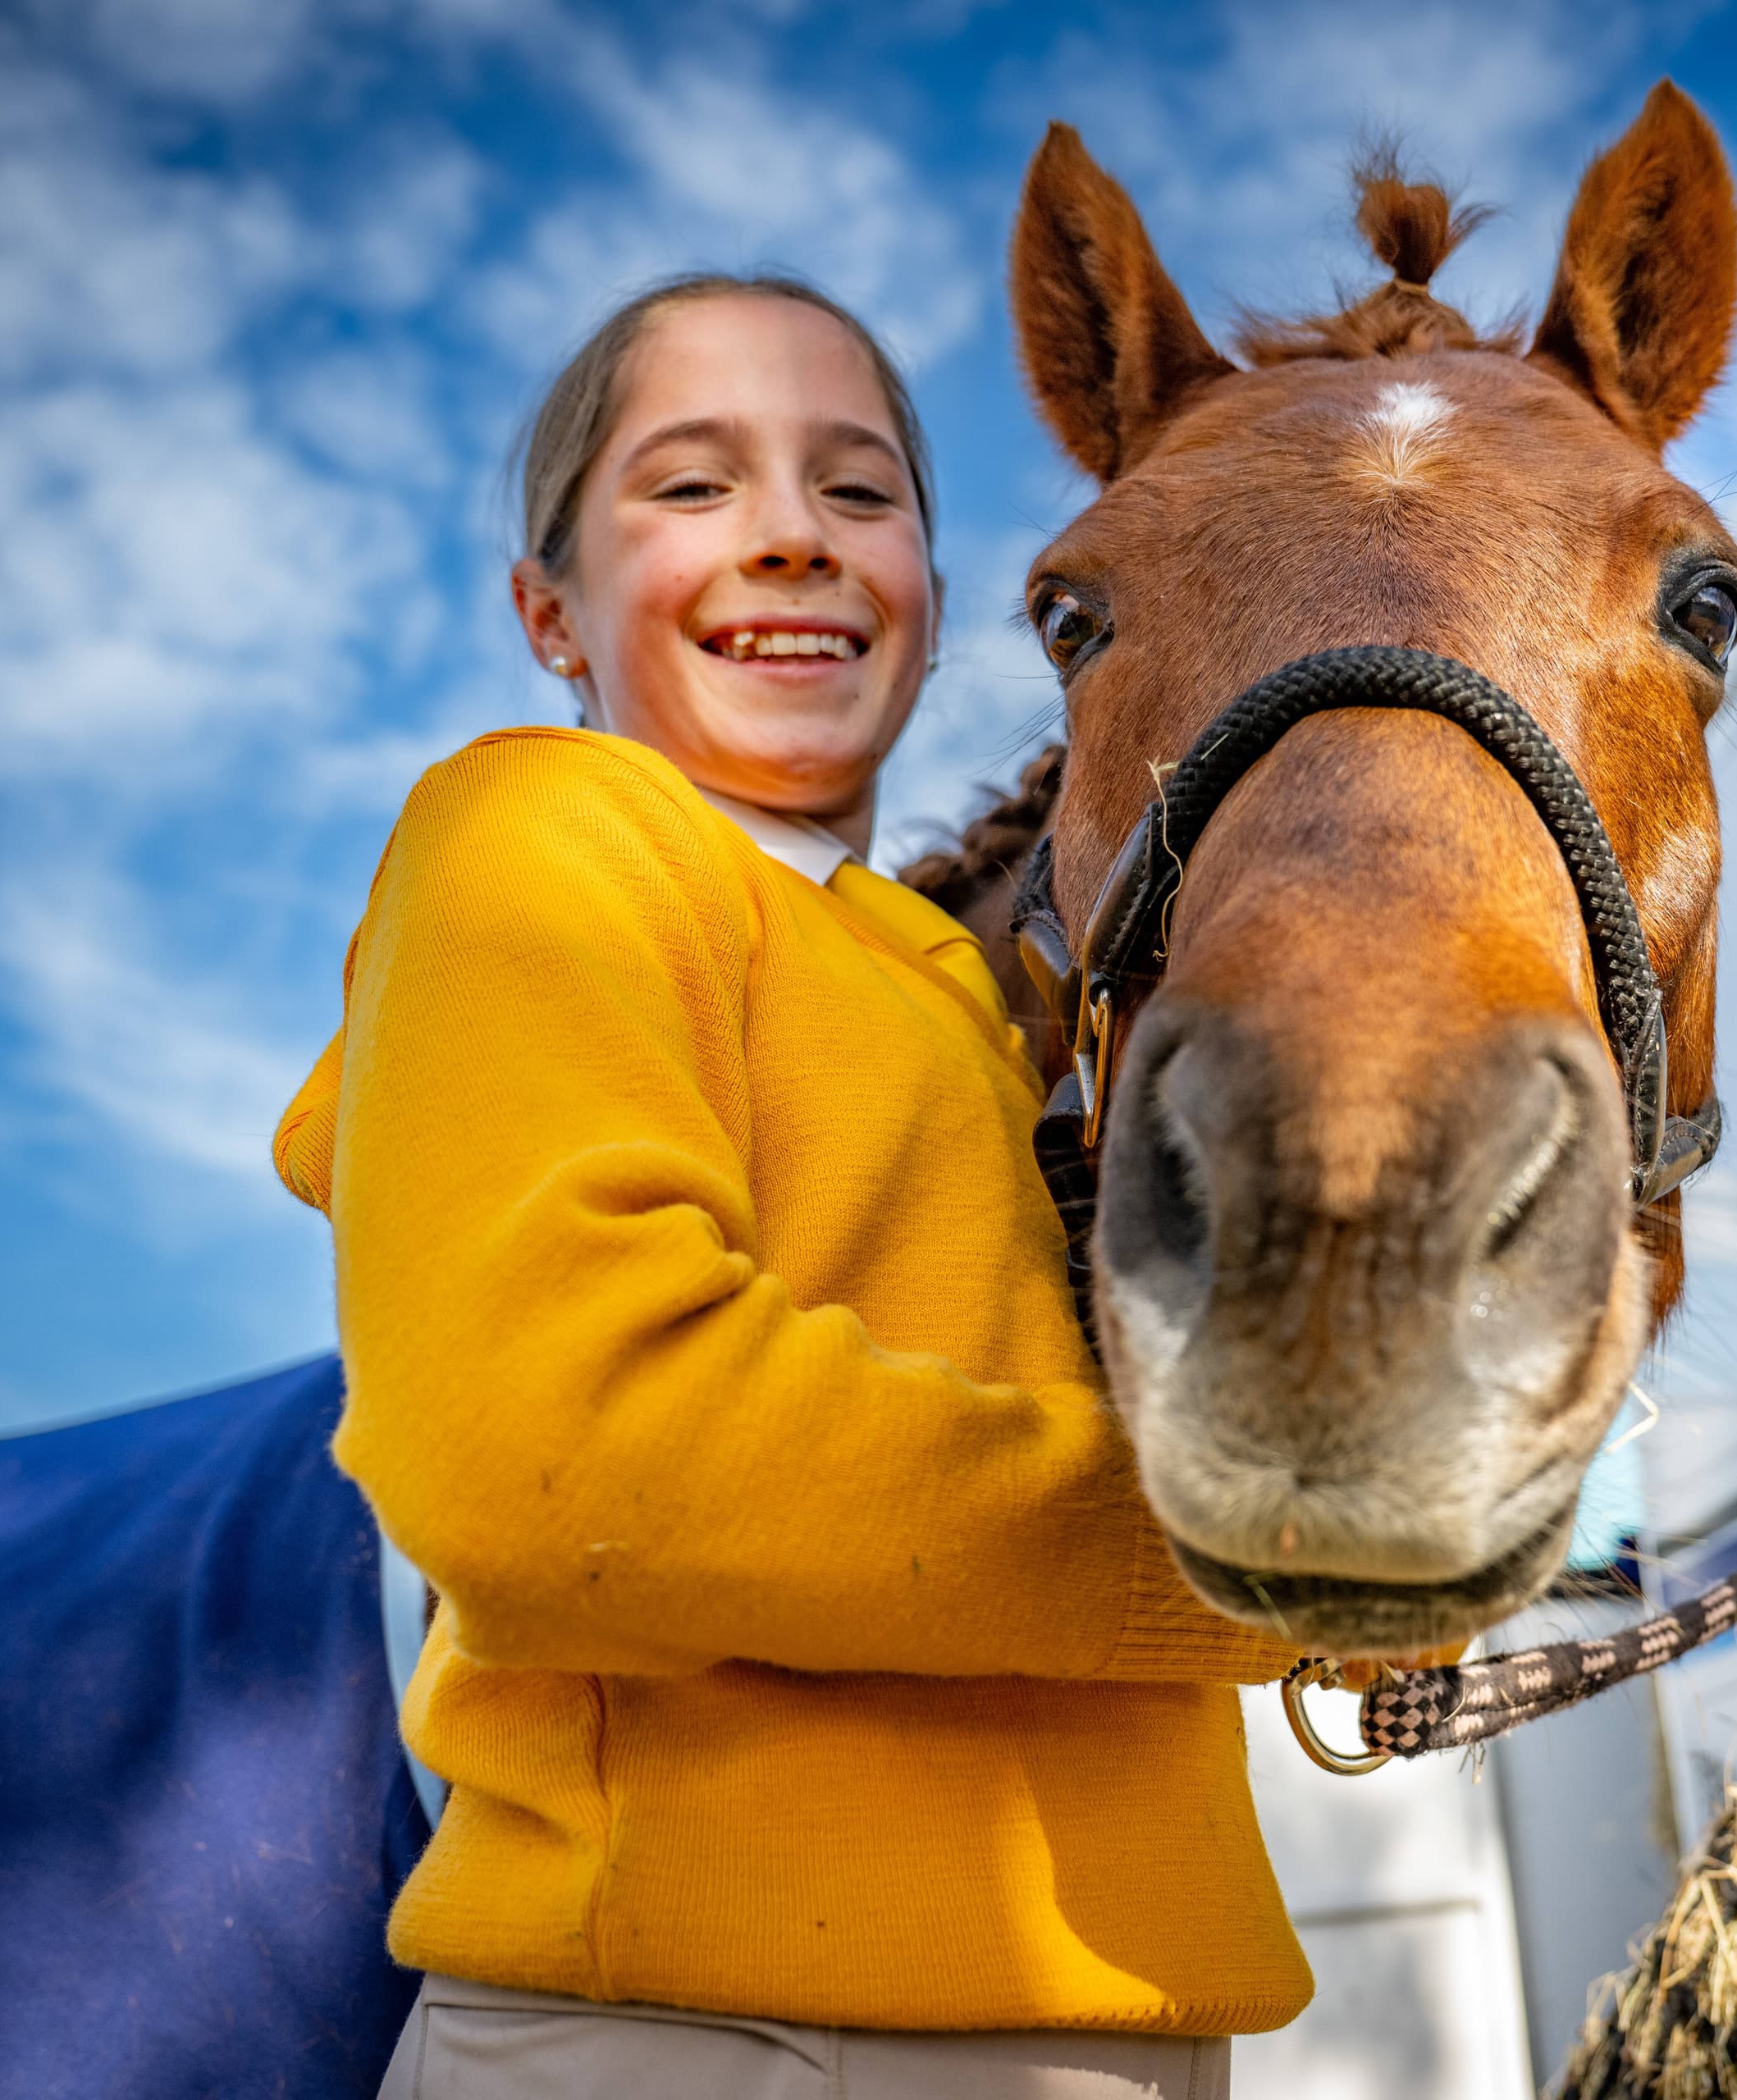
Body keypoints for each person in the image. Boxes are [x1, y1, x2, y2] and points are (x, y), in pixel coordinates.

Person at [272, 273, 1310, 2099]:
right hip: (715, 2031)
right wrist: (1252, 1563)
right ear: (549, 614)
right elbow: (564, 1456)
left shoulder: (969, 1010)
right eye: (690, 487)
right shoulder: (539, 834)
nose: (790, 540)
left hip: (1136, 2034)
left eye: (860, 491)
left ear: (925, 589)